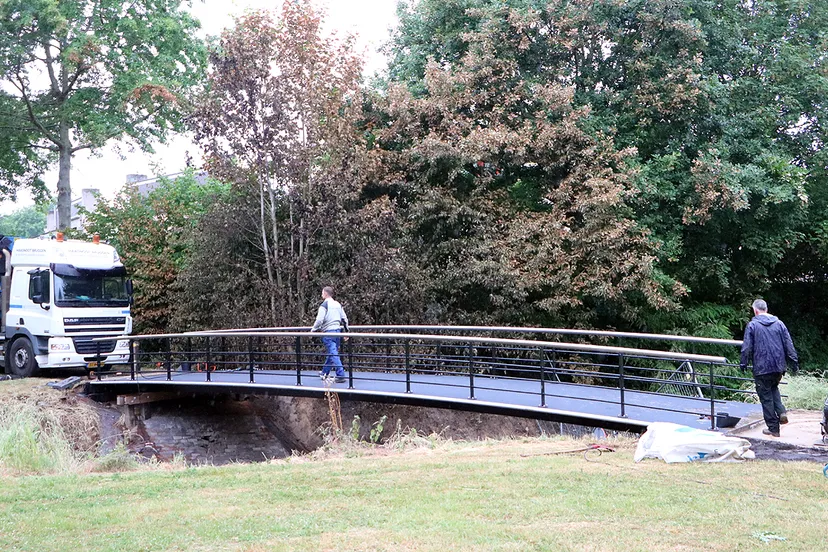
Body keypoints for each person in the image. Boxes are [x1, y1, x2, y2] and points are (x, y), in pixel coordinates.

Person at [740, 299, 799, 437]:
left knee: (765, 397)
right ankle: (781, 412)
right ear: (766, 309)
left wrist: (743, 363)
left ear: (755, 310)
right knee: (773, 388)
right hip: (778, 367)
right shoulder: (779, 324)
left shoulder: (752, 325)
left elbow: (747, 347)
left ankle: (773, 428)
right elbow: (789, 345)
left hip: (762, 367)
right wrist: (794, 362)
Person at [310, 286, 349, 383]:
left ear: (325, 293)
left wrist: (313, 330)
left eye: (322, 292)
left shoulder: (324, 305)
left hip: (328, 332)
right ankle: (324, 372)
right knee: (332, 352)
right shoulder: (338, 304)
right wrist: (346, 331)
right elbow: (344, 319)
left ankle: (340, 375)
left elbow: (319, 320)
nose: (321, 294)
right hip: (337, 332)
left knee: (333, 353)